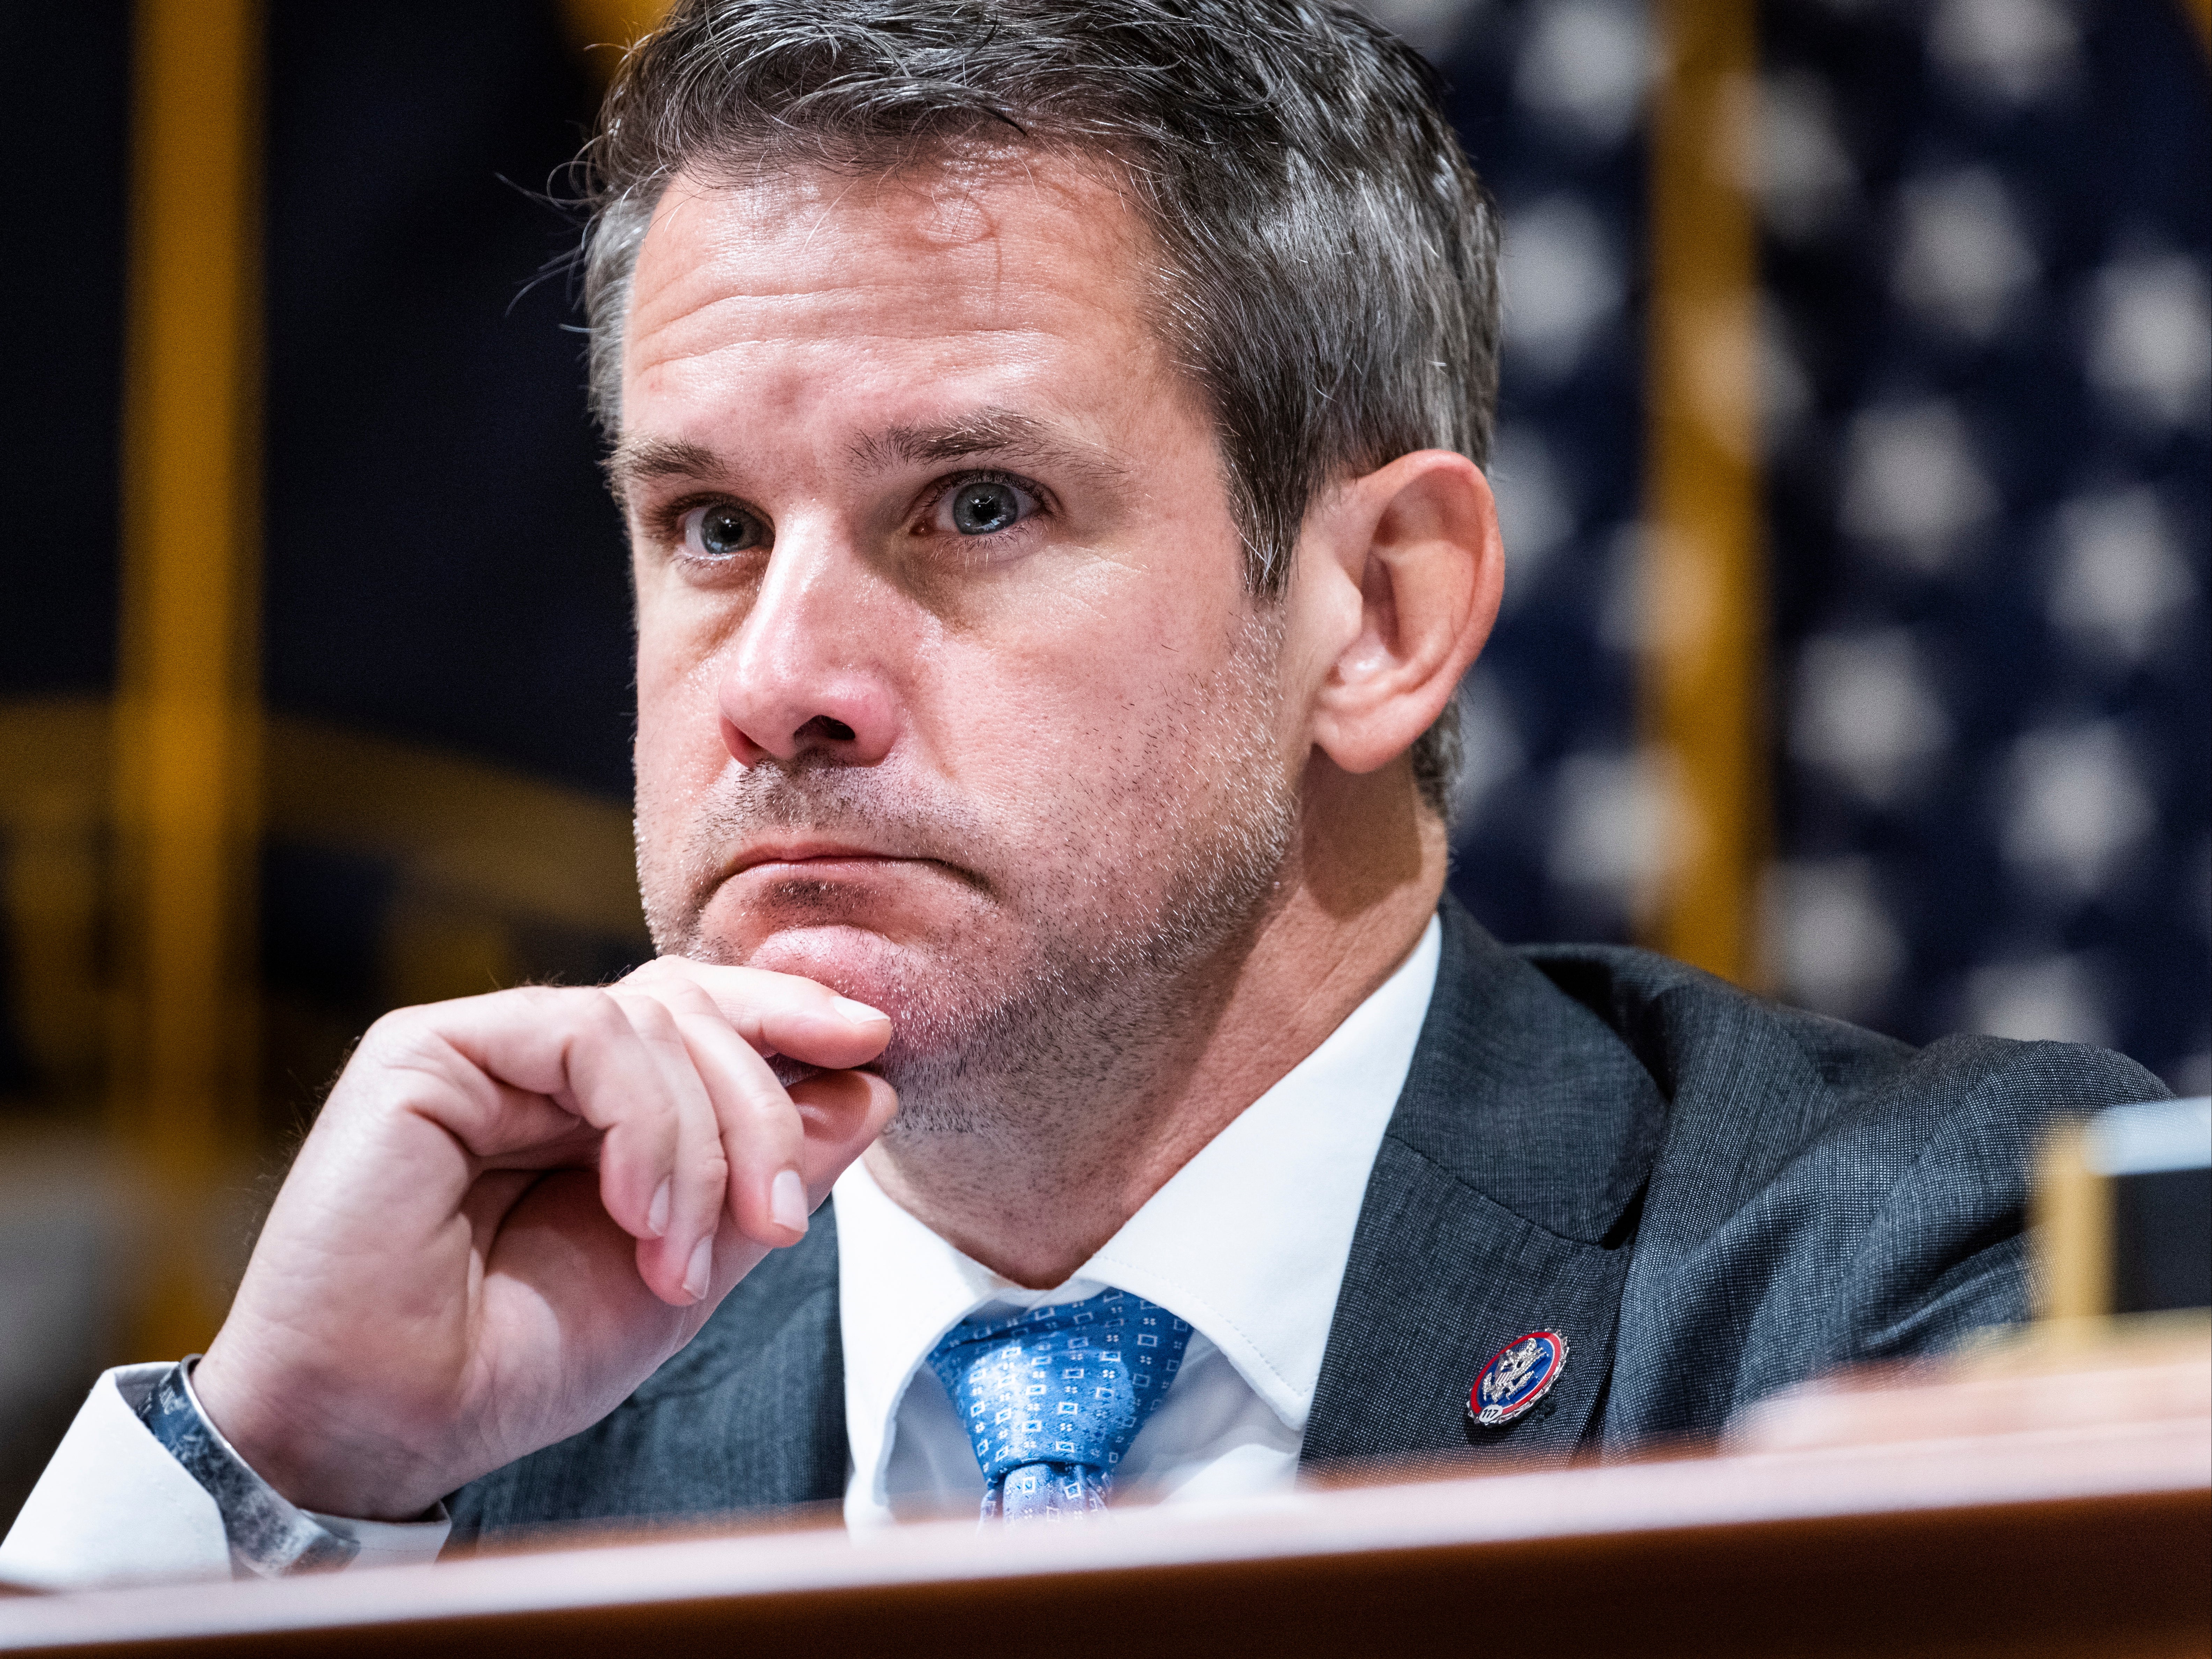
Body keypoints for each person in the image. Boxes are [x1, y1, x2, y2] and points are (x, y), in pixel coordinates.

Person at [2, 0, 2163, 1588]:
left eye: (974, 504)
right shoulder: (447, 1439)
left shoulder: (1912, 1293)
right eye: (713, 527)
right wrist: (285, 1469)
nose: (781, 688)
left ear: (1382, 611)